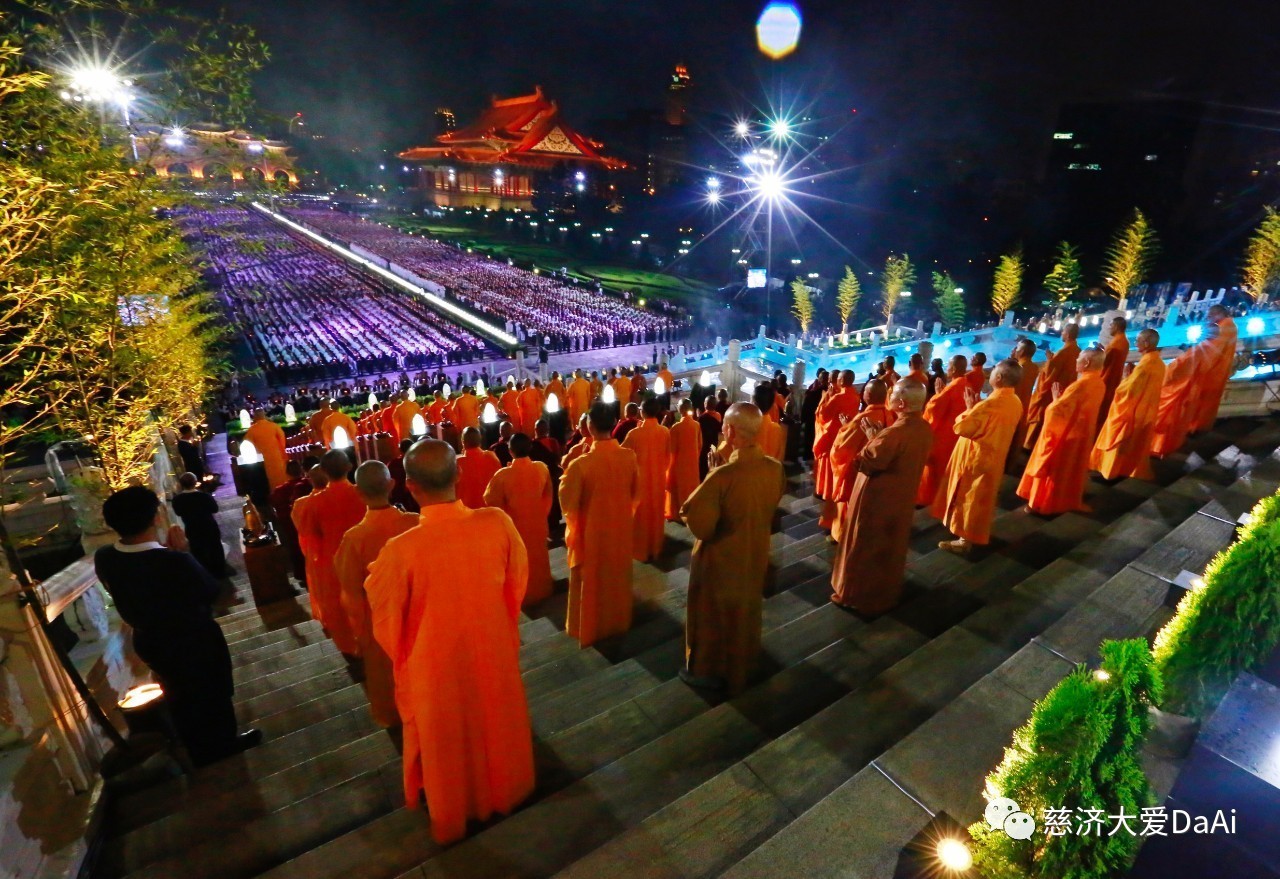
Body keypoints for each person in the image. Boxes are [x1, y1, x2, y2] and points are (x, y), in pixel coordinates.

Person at [365, 440, 534, 845]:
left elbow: (386, 622)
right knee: (496, 720)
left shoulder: (400, 552)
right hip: (492, 647)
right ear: (458, 474)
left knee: (449, 741)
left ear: (409, 486)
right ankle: (507, 792)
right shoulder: (496, 523)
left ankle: (455, 811)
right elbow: (518, 584)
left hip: (434, 667)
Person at [95, 486, 260, 766]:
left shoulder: (106, 557)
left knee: (177, 693)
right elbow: (211, 592)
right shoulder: (173, 560)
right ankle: (223, 744)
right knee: (212, 692)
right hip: (193, 638)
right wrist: (184, 552)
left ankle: (194, 746)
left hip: (150, 641)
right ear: (155, 518)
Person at [679, 403, 785, 694]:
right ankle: (743, 662)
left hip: (721, 559)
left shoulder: (723, 477)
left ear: (730, 431)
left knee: (714, 615)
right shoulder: (774, 469)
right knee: (745, 610)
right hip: (754, 552)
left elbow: (701, 524)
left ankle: (709, 668)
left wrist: (712, 478)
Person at [830, 381, 933, 615]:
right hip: (902, 497)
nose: (890, 399)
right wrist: (879, 437)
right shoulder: (923, 428)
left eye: (893, 396)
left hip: (877, 499)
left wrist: (872, 439)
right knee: (890, 547)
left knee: (863, 545)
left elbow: (866, 462)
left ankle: (852, 595)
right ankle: (885, 593)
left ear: (901, 403)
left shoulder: (894, 433)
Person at [333, 461, 418, 729]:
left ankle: (393, 717)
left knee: (386, 674)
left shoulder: (354, 539)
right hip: (419, 614)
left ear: (358, 491)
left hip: (378, 622)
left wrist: (360, 632)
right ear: (392, 484)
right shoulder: (414, 523)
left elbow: (351, 594)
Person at [560, 402, 639, 646]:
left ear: (589, 427)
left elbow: (569, 506)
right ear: (615, 424)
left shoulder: (581, 465)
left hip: (590, 537)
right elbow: (635, 496)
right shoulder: (628, 456)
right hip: (619, 531)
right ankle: (617, 621)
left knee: (592, 583)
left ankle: (592, 628)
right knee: (615, 578)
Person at [933, 359, 1025, 554]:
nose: (989, 374)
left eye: (992, 372)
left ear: (998, 378)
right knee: (981, 498)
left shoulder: (990, 404)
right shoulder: (1015, 401)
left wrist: (968, 409)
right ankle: (970, 534)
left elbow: (962, 428)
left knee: (969, 499)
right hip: (995, 456)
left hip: (976, 458)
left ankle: (964, 539)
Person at [1018, 347, 1107, 515]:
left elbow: (1056, 412)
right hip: (1082, 436)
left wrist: (1055, 400)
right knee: (1070, 472)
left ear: (1087, 362)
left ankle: (1041, 504)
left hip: (1065, 438)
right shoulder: (1098, 382)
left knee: (1055, 471)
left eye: (1079, 358)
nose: (1076, 361)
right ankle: (1063, 501)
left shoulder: (1080, 385)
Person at [293, 450, 364, 655]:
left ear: (324, 472)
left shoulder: (313, 502)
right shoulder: (362, 492)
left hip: (332, 560)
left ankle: (350, 647)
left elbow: (308, 536)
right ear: (350, 466)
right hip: (363, 557)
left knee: (338, 606)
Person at [484, 433, 555, 606]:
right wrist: (541, 513)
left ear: (510, 451)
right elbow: (548, 494)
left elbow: (489, 500)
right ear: (530, 448)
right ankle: (544, 588)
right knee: (539, 557)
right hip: (538, 522)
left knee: (519, 561)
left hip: (516, 526)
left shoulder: (503, 475)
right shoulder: (541, 468)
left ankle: (524, 594)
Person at [1092, 329, 1166, 480]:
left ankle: (1110, 474)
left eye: (1138, 340)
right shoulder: (1158, 362)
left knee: (1119, 445)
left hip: (1132, 413)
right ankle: (1122, 471)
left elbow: (1127, 390)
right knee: (1133, 447)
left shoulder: (1146, 365)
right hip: (1146, 412)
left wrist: (1126, 378)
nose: (1135, 343)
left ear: (1145, 343)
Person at [827, 379, 894, 544]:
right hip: (877, 469)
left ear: (868, 395)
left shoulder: (864, 417)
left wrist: (845, 427)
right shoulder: (889, 414)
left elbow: (841, 446)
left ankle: (843, 536)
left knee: (849, 505)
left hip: (858, 468)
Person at [623, 397, 672, 562]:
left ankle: (641, 550)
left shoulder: (635, 434)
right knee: (656, 514)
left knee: (641, 517)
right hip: (658, 480)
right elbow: (668, 457)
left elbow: (623, 456)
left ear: (641, 412)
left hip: (640, 482)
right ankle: (656, 548)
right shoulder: (664, 431)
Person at [917, 355, 969, 506]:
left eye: (949, 366)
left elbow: (933, 409)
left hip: (941, 437)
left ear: (952, 369)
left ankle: (927, 498)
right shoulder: (966, 384)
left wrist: (939, 394)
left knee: (932, 472)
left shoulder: (951, 389)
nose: (947, 369)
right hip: (955, 435)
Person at [1024, 324, 1080, 450]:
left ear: (1068, 334)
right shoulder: (1077, 350)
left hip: (1051, 391)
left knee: (1040, 417)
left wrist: (1049, 359)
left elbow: (1049, 373)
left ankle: (1029, 444)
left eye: (1063, 332)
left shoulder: (1064, 351)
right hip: (1064, 390)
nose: (1061, 334)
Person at [812, 370, 860, 516]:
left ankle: (825, 491)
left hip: (831, 434)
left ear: (841, 380)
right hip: (844, 436)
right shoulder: (855, 396)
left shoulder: (837, 397)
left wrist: (827, 397)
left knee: (827, 465)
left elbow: (823, 415)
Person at [1189, 305, 1239, 432]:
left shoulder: (1225, 326)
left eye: (1210, 316)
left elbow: (1213, 350)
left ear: (1218, 314)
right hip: (1217, 369)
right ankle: (1200, 427)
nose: (1208, 319)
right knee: (1207, 402)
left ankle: (1198, 428)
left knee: (1205, 402)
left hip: (1213, 371)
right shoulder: (1227, 325)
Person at [171, 472, 227, 577]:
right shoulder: (204, 496)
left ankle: (204, 572)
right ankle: (219, 571)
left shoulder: (178, 499)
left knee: (198, 549)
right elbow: (214, 509)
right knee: (215, 547)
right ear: (195, 482)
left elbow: (178, 512)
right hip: (209, 525)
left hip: (192, 527)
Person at [270, 460, 311, 582]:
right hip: (310, 525)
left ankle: (302, 575)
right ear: (301, 470)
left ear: (287, 472)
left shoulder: (279, 490)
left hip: (291, 526)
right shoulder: (309, 485)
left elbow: (274, 505)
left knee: (295, 549)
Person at [1007, 338, 1041, 471]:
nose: (1015, 350)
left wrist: (1010, 361)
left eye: (1018, 348)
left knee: (1008, 438)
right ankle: (1011, 464)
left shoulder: (1019, 368)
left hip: (1012, 405)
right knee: (1016, 439)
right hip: (1024, 405)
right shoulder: (1034, 367)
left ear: (1022, 352)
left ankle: (1006, 465)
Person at [666, 399, 701, 522]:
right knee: (691, 488)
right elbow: (700, 444)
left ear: (680, 410)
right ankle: (691, 511)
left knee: (678, 488)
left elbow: (671, 449)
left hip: (679, 464)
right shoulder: (696, 425)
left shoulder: (676, 427)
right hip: (692, 463)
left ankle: (678, 514)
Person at [1097, 316, 1130, 430]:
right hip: (1114, 378)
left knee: (1100, 411)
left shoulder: (1117, 342)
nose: (1109, 328)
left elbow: (1105, 362)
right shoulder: (1123, 340)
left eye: (1111, 325)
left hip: (1107, 378)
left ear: (1116, 326)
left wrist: (1100, 353)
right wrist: (1104, 350)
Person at [457, 427, 502, 509]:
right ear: (480, 441)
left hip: (468, 512)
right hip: (491, 510)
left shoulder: (457, 464)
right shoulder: (492, 457)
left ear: (463, 442)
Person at [242, 411, 288, 489]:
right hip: (277, 456)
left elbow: (247, 445)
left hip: (262, 459)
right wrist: (281, 450)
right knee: (281, 474)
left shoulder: (252, 430)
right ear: (264, 416)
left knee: (269, 477)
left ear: (255, 418)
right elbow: (282, 439)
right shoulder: (274, 426)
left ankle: (273, 493)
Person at [752, 385, 786, 461]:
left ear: (753, 403)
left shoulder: (746, 425)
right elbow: (779, 458)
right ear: (771, 406)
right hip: (770, 470)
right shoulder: (777, 429)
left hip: (748, 470)